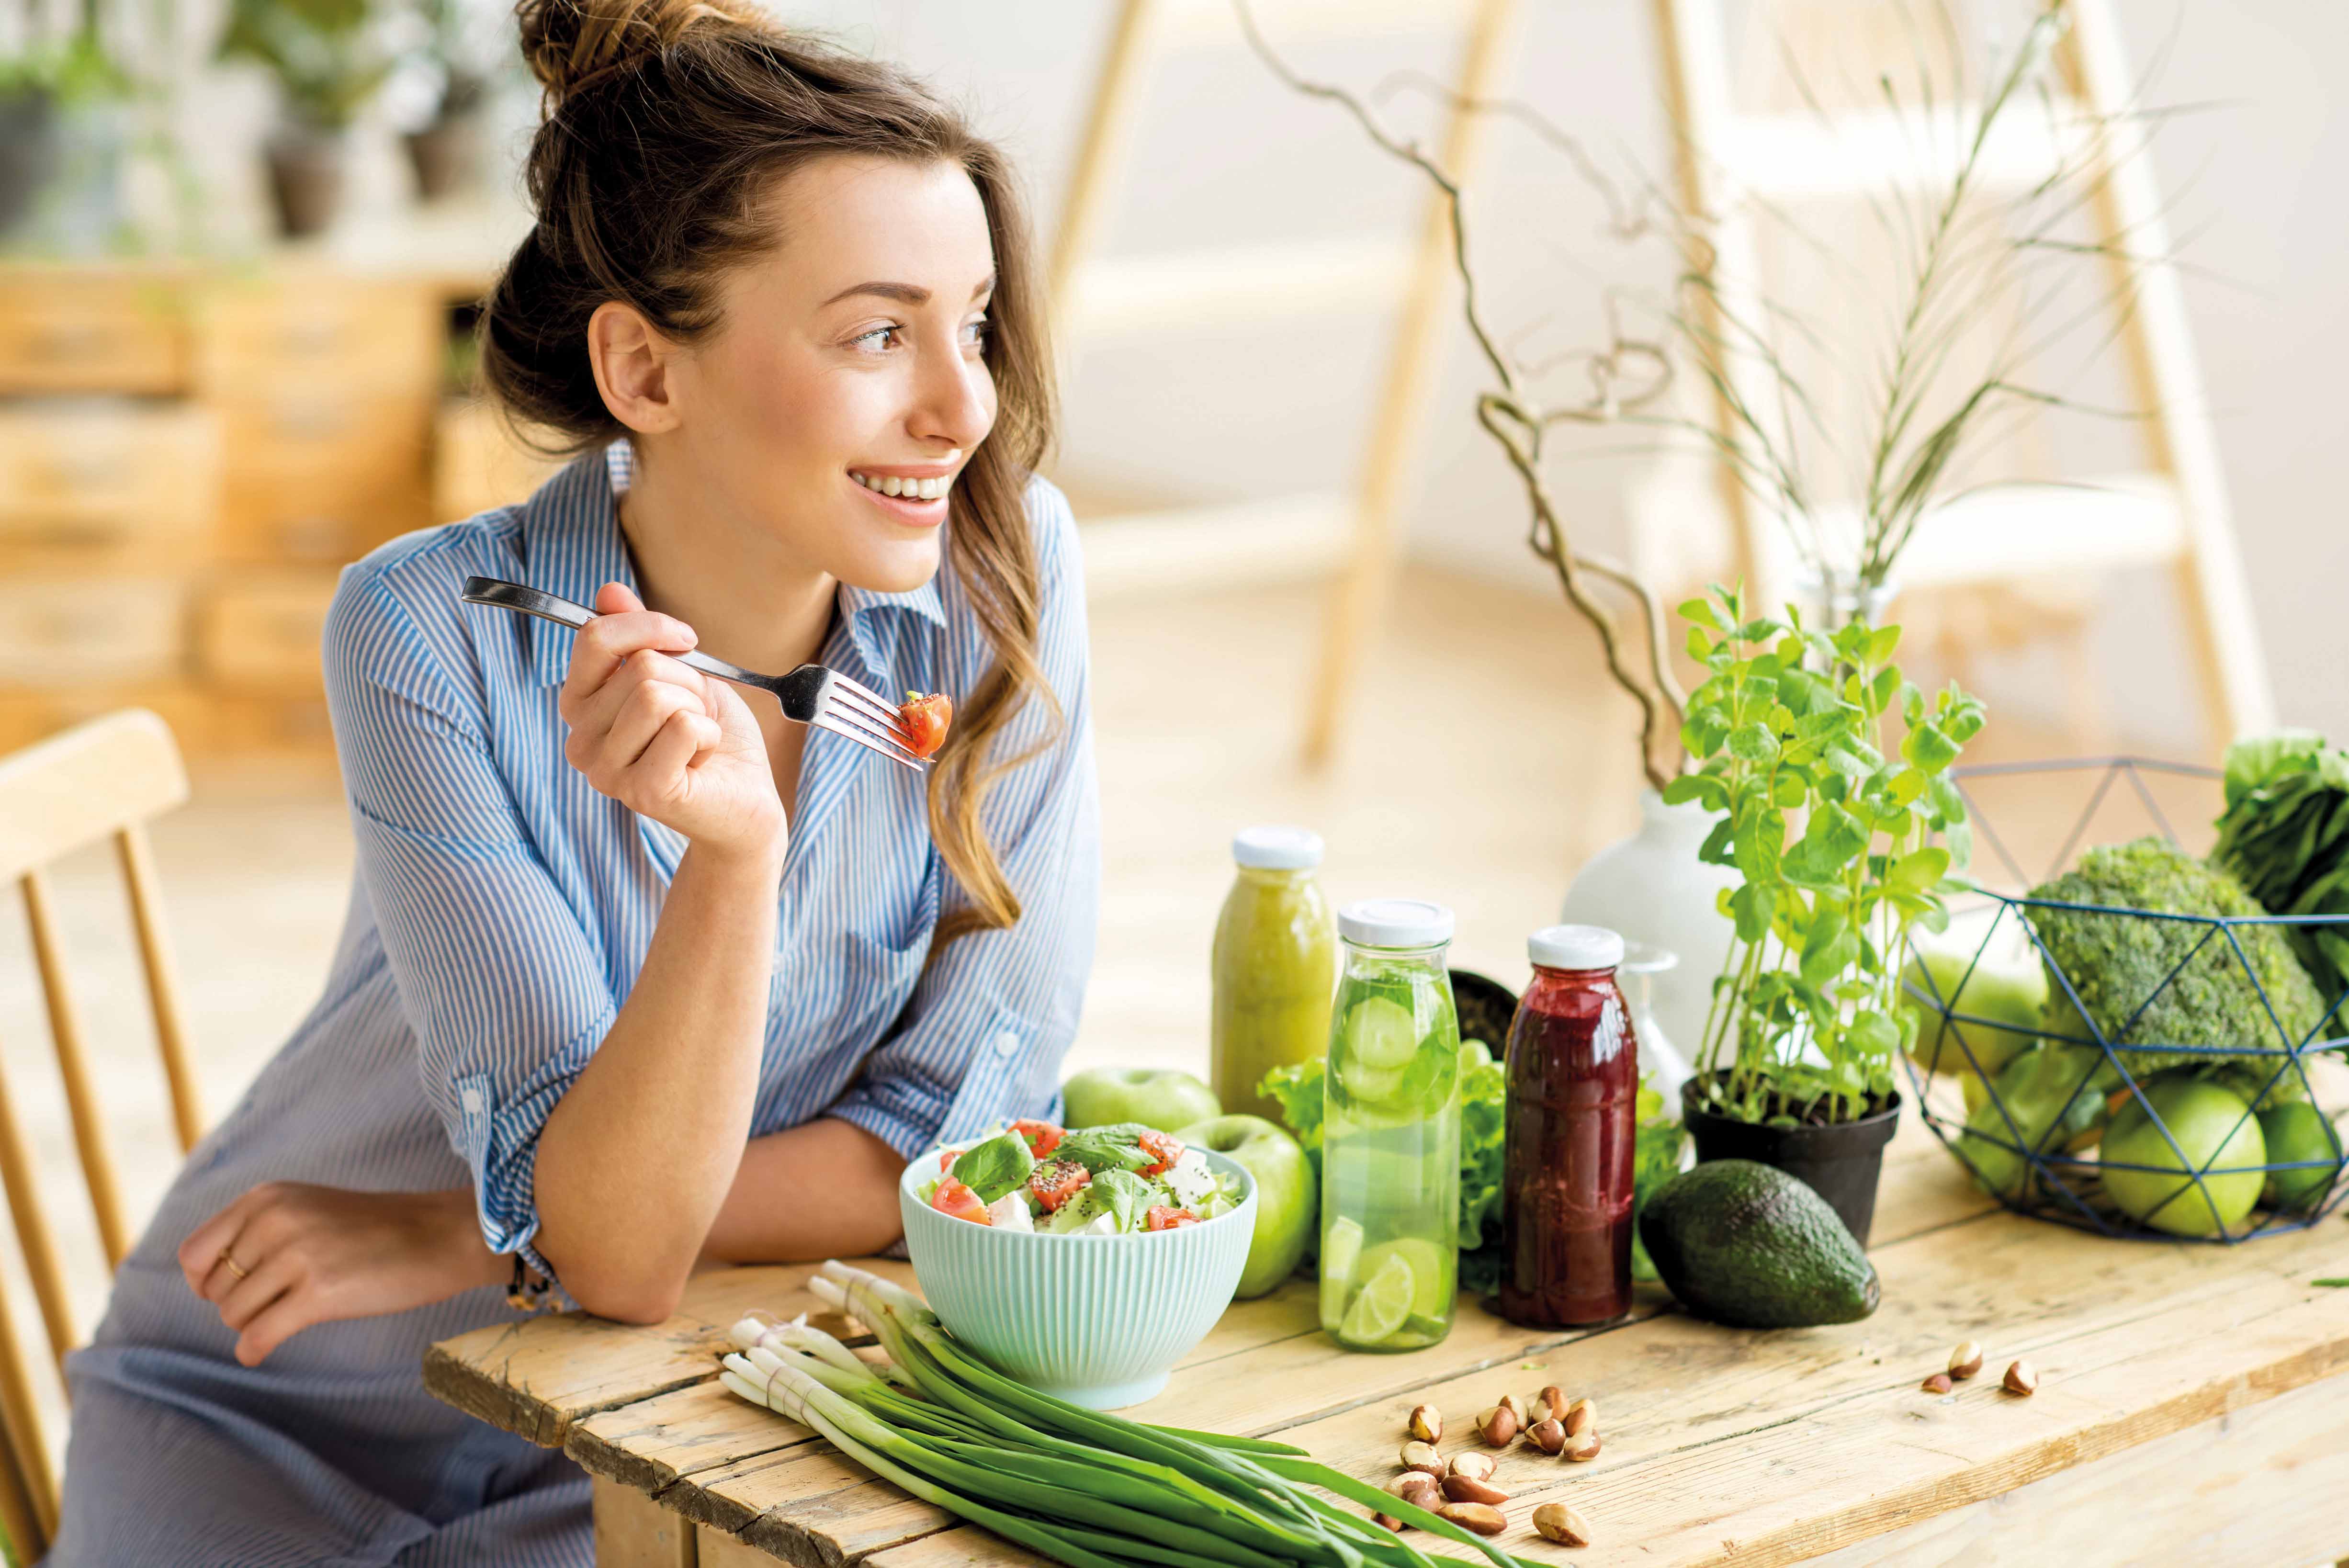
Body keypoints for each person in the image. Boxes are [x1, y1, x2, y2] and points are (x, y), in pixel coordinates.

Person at [48, 2, 1095, 1560]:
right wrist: (732, 871)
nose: (966, 406)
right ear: (644, 370)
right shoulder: (429, 630)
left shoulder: (1005, 585)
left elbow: (952, 1142)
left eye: (974, 322)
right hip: (273, 1394)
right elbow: (615, 1240)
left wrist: (471, 1229)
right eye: (879, 332)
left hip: (647, 1407)